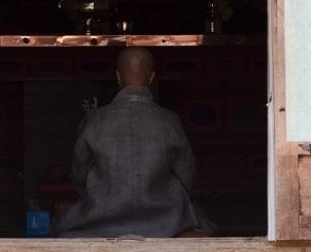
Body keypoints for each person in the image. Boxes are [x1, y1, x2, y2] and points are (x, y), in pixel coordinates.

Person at [55, 47, 209, 238]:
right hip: (166, 221)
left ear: (118, 77)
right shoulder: (170, 120)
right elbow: (186, 175)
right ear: (152, 78)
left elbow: (79, 175)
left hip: (97, 220)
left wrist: (100, 196)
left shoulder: (94, 120)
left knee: (63, 221)